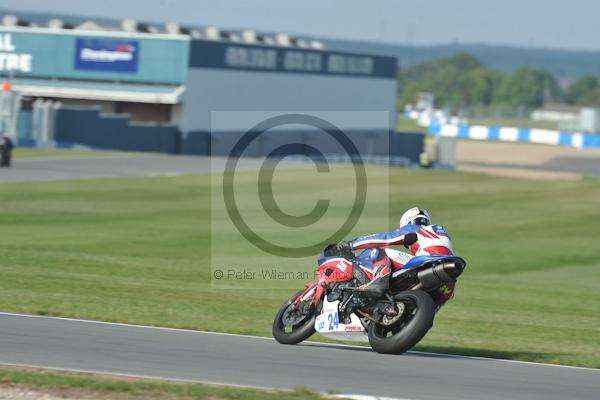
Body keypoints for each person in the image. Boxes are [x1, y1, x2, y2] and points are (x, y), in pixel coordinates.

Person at [327, 207, 456, 305]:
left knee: (382, 250)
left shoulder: (416, 228)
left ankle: (377, 282)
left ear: (408, 221)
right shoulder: (435, 232)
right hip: (448, 285)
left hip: (429, 262)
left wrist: (351, 244)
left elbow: (383, 238)